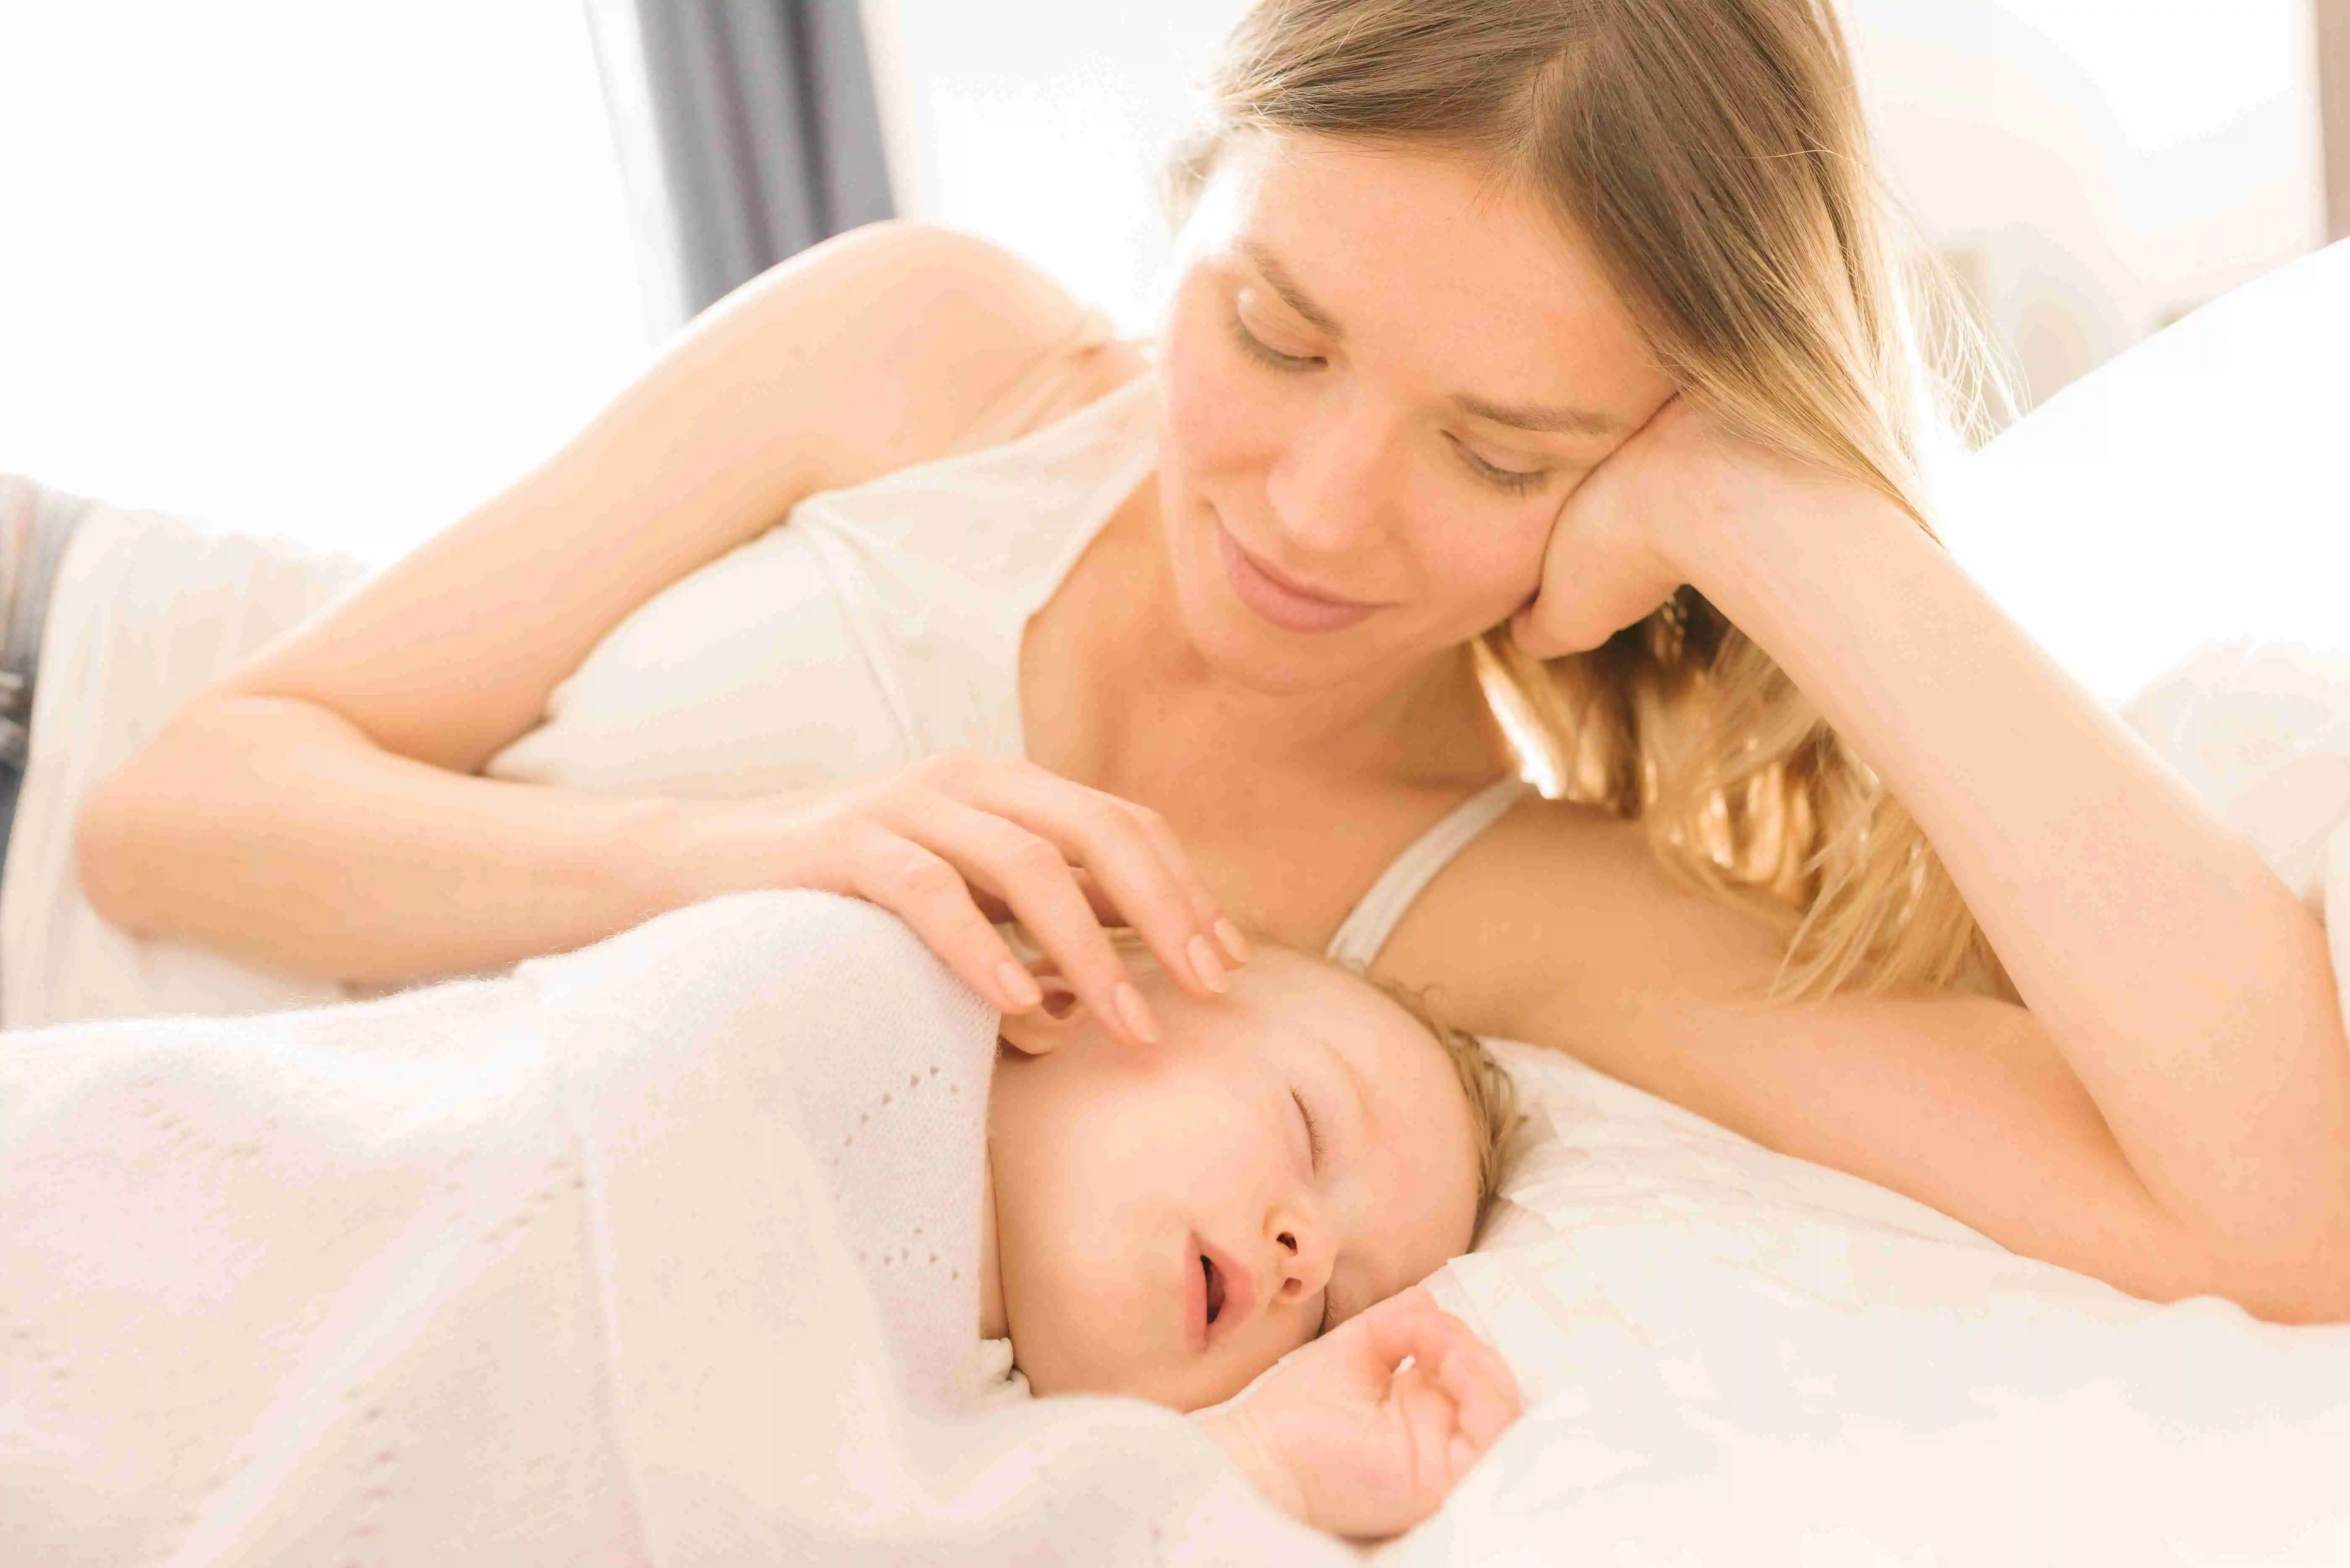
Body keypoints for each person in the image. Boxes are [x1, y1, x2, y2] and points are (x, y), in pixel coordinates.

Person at [72, 0, 2350, 1325]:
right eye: (1277, 330)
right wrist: (776, 858)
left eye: (1497, 443)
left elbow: (2282, 1209)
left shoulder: (1470, 904)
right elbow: (178, 805)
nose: (1318, 506)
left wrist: (1800, 528)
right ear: (1199, 195)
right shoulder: (930, 354)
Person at [985, 933, 1524, 1537]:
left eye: (1328, 1319)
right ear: (1068, 1000)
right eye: (1309, 1129)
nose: (1311, 1263)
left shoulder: (968, 1456)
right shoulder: (885, 974)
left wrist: (1260, 1461)